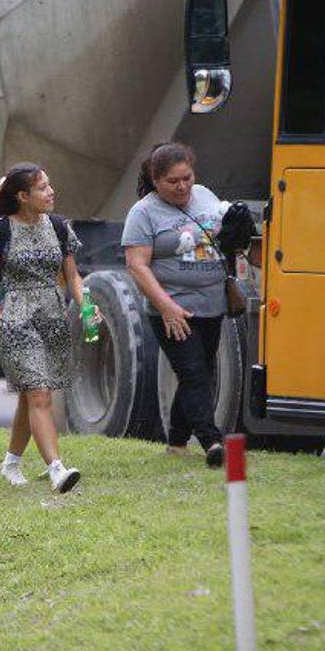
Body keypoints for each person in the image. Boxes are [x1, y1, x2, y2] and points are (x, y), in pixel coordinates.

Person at [0, 163, 85, 493]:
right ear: (23, 196)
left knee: (30, 395)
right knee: (39, 392)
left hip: (52, 317)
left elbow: (72, 275)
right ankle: (56, 469)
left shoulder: (60, 227)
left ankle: (11, 463)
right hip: (17, 317)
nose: (51, 192)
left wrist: (87, 305)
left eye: (50, 186)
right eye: (43, 188)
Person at [121, 142, 226, 468]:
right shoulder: (143, 213)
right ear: (155, 180)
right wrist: (165, 306)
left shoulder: (206, 196)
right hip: (172, 306)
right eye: (173, 181)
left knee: (200, 372)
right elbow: (137, 264)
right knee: (192, 372)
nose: (182, 186)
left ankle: (177, 443)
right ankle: (212, 441)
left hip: (212, 302)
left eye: (187, 178)